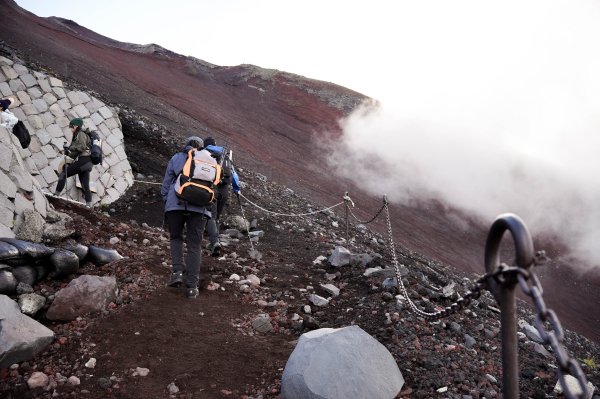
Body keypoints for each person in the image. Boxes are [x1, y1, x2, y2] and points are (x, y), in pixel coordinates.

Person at [161, 136, 212, 299]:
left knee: (176, 238)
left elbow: (166, 183)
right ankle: (191, 287)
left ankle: (177, 272)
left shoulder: (177, 158)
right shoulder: (209, 162)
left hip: (176, 204)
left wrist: (167, 201)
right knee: (195, 245)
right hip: (200, 209)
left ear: (186, 145)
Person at [203, 136, 241, 256]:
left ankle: (214, 242)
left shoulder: (205, 153)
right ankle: (215, 238)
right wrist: (237, 189)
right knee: (217, 216)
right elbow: (234, 175)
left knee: (211, 216)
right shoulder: (224, 154)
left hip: (212, 187)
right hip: (224, 189)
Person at [54, 118, 94, 207]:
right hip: (87, 163)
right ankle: (89, 205)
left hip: (83, 161)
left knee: (63, 174)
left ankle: (56, 195)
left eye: (71, 127)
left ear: (76, 126)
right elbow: (76, 152)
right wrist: (68, 152)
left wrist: (70, 148)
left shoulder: (81, 134)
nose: (70, 129)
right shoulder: (79, 135)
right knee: (85, 184)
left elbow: (82, 147)